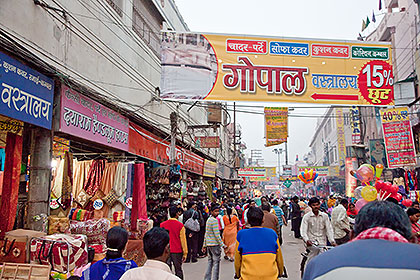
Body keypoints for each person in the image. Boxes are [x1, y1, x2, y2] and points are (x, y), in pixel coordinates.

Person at [303, 201, 420, 280]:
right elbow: (305, 229)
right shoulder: (308, 217)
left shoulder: (318, 265)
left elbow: (329, 227)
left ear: (352, 235)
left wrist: (332, 240)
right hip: (318, 240)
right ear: (413, 239)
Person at [234, 207, 284, 280]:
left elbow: (237, 260)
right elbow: (279, 258)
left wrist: (238, 274)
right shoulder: (272, 233)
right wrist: (280, 273)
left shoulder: (241, 235)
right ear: (263, 219)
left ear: (247, 220)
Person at [160, 206, 188, 279]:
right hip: (177, 250)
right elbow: (183, 240)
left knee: (167, 269)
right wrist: (185, 252)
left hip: (166, 250)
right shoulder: (180, 225)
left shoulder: (162, 225)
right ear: (176, 214)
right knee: (178, 270)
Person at [203, 204, 225, 280]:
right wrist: (222, 245)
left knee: (210, 262)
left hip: (209, 244)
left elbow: (206, 233)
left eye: (218, 211)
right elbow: (217, 234)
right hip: (215, 244)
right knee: (216, 263)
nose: (217, 213)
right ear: (211, 211)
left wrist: (204, 244)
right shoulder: (215, 221)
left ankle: (207, 278)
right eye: (215, 211)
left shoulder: (208, 220)